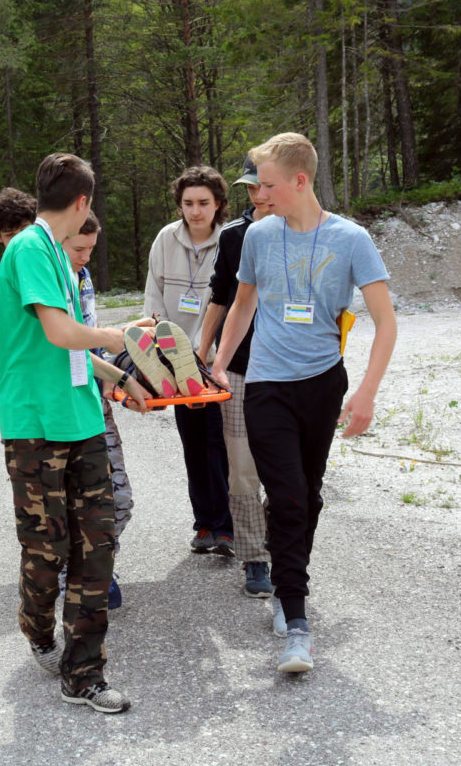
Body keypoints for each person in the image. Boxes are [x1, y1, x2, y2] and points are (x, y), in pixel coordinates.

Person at [211, 133, 397, 674]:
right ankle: (297, 621)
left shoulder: (351, 239)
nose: (259, 195)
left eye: (268, 185)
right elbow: (243, 303)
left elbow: (386, 322)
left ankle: (286, 584)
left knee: (307, 496)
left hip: (322, 384)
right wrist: (220, 361)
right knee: (288, 496)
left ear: (300, 180)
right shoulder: (259, 236)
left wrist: (366, 392)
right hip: (265, 384)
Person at [0, 153, 149, 714]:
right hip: (35, 425)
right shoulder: (30, 248)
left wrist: (123, 379)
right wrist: (120, 335)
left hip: (82, 421)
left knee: (96, 546)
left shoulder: (59, 254)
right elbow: (60, 332)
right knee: (46, 550)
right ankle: (36, 628)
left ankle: (83, 674)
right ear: (83, 202)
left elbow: (71, 347)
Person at [143, 165, 234, 556]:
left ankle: (226, 528)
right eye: (188, 203)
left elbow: (231, 302)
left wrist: (205, 353)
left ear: (218, 204)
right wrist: (166, 351)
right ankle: (204, 525)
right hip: (176, 361)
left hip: (213, 361)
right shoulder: (166, 238)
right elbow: (154, 296)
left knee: (218, 443)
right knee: (193, 444)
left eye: (203, 203)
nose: (195, 211)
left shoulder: (230, 240)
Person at [197, 155, 271, 598]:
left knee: (289, 471)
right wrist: (202, 353)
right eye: (251, 187)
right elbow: (221, 297)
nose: (258, 195)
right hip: (239, 369)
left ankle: (279, 542)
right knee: (242, 468)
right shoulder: (234, 236)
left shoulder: (312, 233)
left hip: (292, 373)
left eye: (265, 185)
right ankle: (254, 557)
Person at [65, 212, 137, 609]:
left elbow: (90, 339)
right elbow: (66, 347)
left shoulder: (83, 275)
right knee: (74, 502)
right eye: (79, 249)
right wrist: (120, 376)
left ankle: (100, 563)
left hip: (95, 399)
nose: (85, 257)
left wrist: (112, 376)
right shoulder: (50, 283)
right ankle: (77, 573)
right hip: (63, 407)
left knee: (120, 498)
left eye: (91, 249)